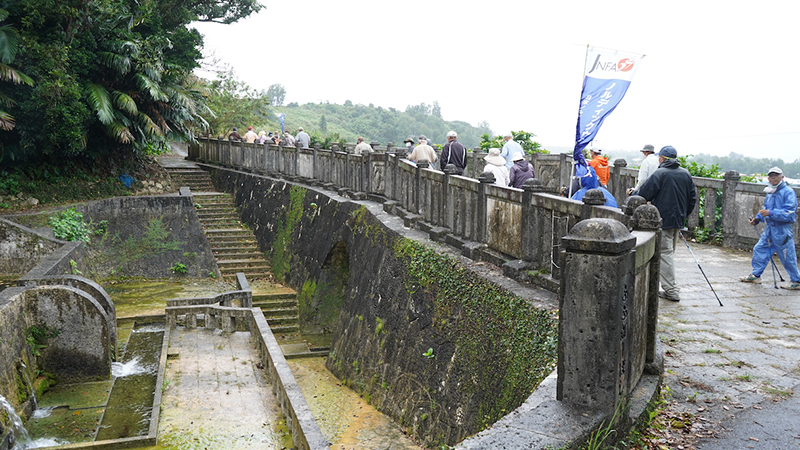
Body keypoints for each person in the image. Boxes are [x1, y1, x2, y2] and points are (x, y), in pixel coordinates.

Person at [631, 145, 697, 302]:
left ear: (661, 159)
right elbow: (692, 198)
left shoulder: (660, 173)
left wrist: (632, 194)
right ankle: (665, 286)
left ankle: (672, 290)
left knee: (665, 254)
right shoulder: (685, 174)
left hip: (663, 220)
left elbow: (644, 193)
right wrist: (683, 215)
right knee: (668, 252)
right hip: (678, 220)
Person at [740, 167, 800, 289]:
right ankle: (756, 275)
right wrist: (757, 219)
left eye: (776, 175)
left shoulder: (788, 192)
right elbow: (765, 209)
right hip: (770, 229)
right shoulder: (770, 192)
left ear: (782, 177)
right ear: (768, 178)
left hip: (782, 230)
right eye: (771, 176)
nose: (773, 178)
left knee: (787, 255)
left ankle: (796, 280)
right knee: (759, 249)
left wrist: (771, 213)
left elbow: (789, 212)